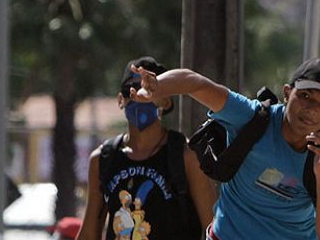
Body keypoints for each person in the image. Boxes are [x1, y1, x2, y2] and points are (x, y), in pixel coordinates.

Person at [130, 57, 320, 240]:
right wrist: (157, 86)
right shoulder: (252, 117)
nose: (312, 110)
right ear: (287, 93)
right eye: (305, 96)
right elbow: (195, 82)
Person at [77, 56, 216, 240]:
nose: (137, 96)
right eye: (129, 91)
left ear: (166, 102)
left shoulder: (185, 155)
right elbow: (89, 234)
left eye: (148, 89)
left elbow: (215, 229)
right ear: (120, 100)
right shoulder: (103, 159)